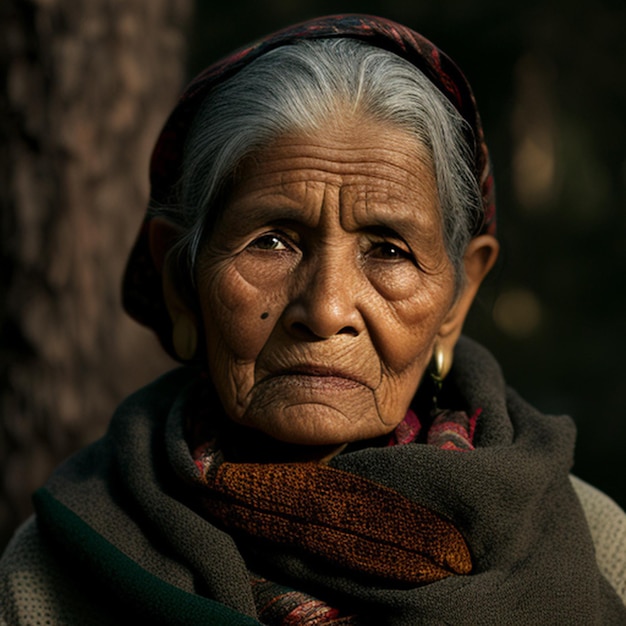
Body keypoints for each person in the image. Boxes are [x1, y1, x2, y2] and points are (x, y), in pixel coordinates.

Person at [1, 14, 625, 625]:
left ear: (457, 299)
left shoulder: (601, 546)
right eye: (271, 241)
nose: (326, 312)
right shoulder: (57, 570)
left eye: (388, 249)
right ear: (182, 281)